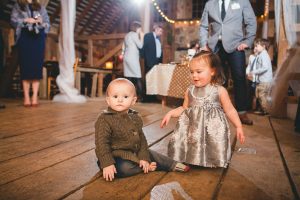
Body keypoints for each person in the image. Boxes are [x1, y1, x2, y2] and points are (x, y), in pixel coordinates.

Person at [160, 52, 245, 168]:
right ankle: (192, 158)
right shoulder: (189, 91)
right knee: (192, 142)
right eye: (191, 72)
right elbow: (184, 108)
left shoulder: (219, 90)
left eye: (199, 72)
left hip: (212, 130)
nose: (194, 75)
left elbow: (230, 110)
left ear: (212, 71)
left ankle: (212, 159)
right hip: (193, 130)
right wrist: (171, 113)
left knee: (212, 143)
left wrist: (238, 126)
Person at [95, 78, 190, 181]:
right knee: (123, 168)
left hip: (134, 151)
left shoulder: (135, 117)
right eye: (115, 96)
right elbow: (101, 144)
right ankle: (146, 168)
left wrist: (143, 157)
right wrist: (107, 164)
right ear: (108, 100)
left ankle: (172, 164)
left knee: (150, 154)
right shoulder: (104, 119)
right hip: (114, 156)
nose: (120, 100)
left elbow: (142, 139)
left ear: (133, 100)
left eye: (125, 96)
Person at [199, 0, 257, 125]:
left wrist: (248, 41)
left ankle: (241, 112)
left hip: (236, 46)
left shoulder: (242, 2)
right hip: (216, 47)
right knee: (217, 80)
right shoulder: (210, 4)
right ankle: (216, 111)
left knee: (239, 78)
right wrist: (203, 44)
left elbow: (251, 22)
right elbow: (203, 26)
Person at [11, 0, 50, 107]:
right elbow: (13, 21)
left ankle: (34, 98)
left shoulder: (40, 7)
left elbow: (47, 24)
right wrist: (25, 20)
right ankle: (27, 97)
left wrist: (41, 22)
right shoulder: (18, 5)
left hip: (38, 39)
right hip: (25, 37)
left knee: (36, 68)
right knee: (26, 67)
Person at [121, 21, 144, 101]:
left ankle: (127, 96)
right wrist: (142, 36)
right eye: (140, 29)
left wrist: (122, 54)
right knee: (138, 77)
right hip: (132, 58)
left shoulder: (127, 35)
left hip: (126, 58)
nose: (140, 30)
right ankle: (140, 97)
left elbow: (123, 47)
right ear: (137, 28)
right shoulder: (134, 35)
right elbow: (140, 46)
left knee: (128, 78)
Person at [249, 38, 273, 115]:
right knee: (261, 95)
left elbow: (265, 67)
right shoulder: (262, 55)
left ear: (264, 46)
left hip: (264, 80)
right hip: (264, 80)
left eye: (257, 46)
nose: (255, 48)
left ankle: (267, 111)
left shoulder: (264, 55)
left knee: (261, 95)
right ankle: (263, 109)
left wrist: (254, 72)